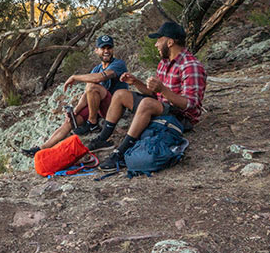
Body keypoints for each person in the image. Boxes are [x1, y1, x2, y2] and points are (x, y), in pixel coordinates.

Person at [90, 21, 207, 172]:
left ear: (170, 42)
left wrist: (163, 90)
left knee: (146, 104)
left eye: (159, 40)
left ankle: (120, 152)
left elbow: (191, 105)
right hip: (162, 107)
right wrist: (136, 82)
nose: (156, 45)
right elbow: (154, 94)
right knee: (120, 94)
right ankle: (102, 139)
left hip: (181, 117)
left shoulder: (191, 66)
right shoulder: (164, 63)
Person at [21, 35, 128, 157]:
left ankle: (92, 123)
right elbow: (87, 93)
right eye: (103, 48)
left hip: (114, 107)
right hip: (99, 108)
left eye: (109, 48)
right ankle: (41, 148)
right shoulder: (96, 68)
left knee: (92, 86)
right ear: (96, 50)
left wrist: (74, 77)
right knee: (70, 122)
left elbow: (100, 78)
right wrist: (75, 112)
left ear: (113, 49)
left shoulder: (119, 64)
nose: (106, 51)